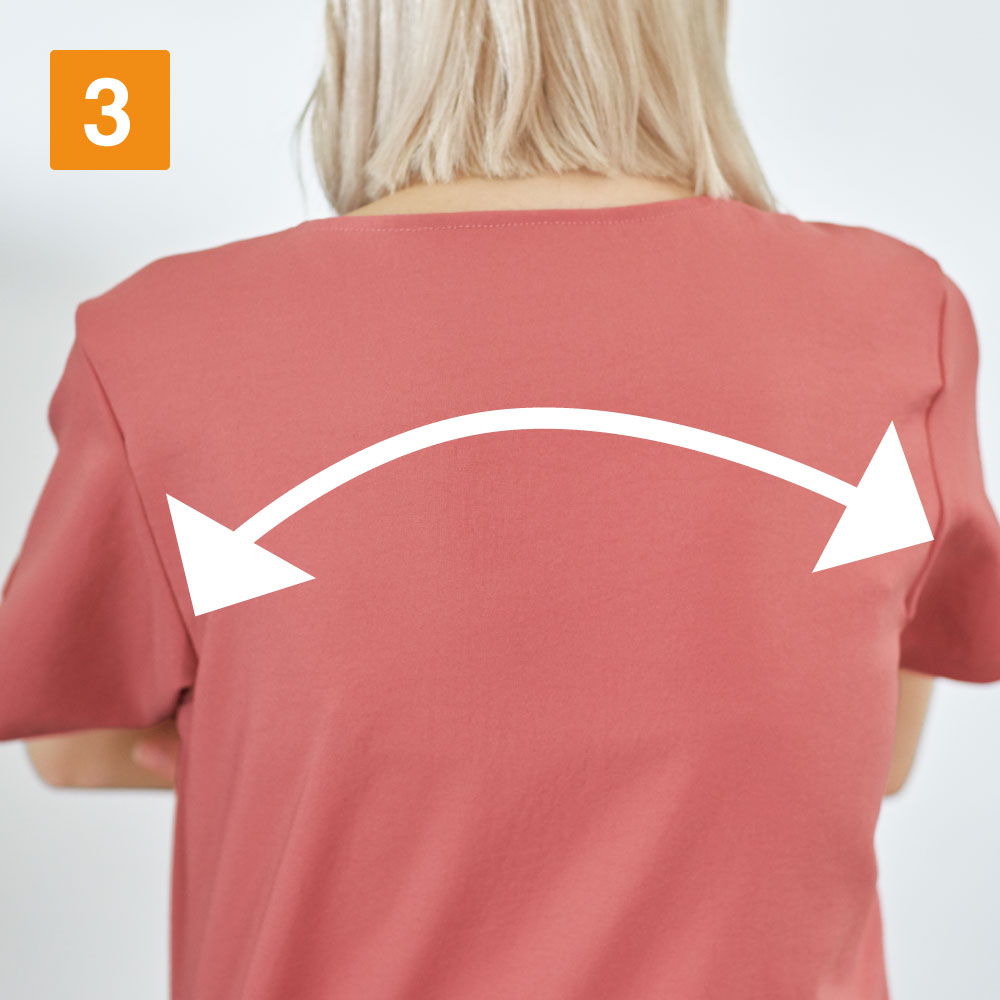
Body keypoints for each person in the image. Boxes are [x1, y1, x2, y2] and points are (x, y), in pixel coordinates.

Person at [2, 1, 998, 997]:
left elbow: (75, 749)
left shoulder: (165, 345)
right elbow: (874, 749)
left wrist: (329, 751)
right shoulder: (899, 324)